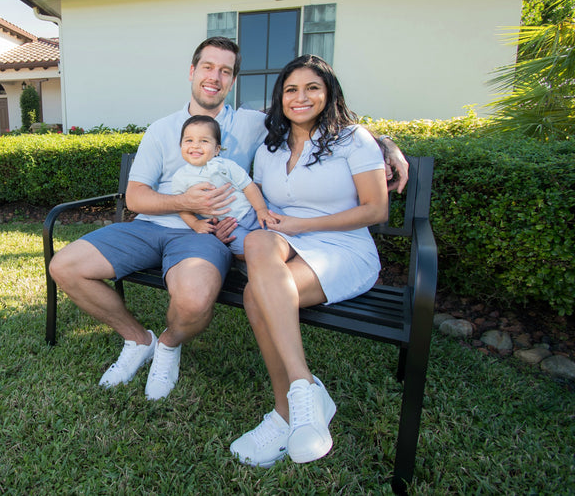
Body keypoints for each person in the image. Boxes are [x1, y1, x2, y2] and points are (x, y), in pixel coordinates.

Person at [48, 37, 408, 403]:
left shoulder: (253, 124)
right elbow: (136, 196)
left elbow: (316, 117)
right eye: (208, 67)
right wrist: (182, 201)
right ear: (192, 71)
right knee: (65, 266)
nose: (214, 77)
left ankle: (169, 346)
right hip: (150, 225)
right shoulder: (162, 129)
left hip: (205, 235)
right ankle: (139, 339)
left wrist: (385, 144)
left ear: (232, 81)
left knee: (192, 301)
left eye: (225, 71)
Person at [229, 54, 388, 468]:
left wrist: (301, 225)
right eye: (291, 89)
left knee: (253, 296)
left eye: (312, 88)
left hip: (343, 247)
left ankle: (286, 410)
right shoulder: (271, 146)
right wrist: (227, 222)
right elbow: (261, 205)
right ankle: (303, 392)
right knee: (259, 242)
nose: (301, 97)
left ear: (328, 93)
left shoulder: (353, 139)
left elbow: (376, 209)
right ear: (280, 97)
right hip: (283, 239)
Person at [171, 115, 272, 257]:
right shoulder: (180, 177)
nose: (195, 145)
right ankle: (263, 262)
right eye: (189, 140)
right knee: (245, 248)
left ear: (217, 149)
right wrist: (195, 224)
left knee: (278, 226)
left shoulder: (226, 165)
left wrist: (261, 210)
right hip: (229, 226)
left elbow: (248, 186)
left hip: (251, 211)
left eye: (204, 141)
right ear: (181, 145)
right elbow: (182, 207)